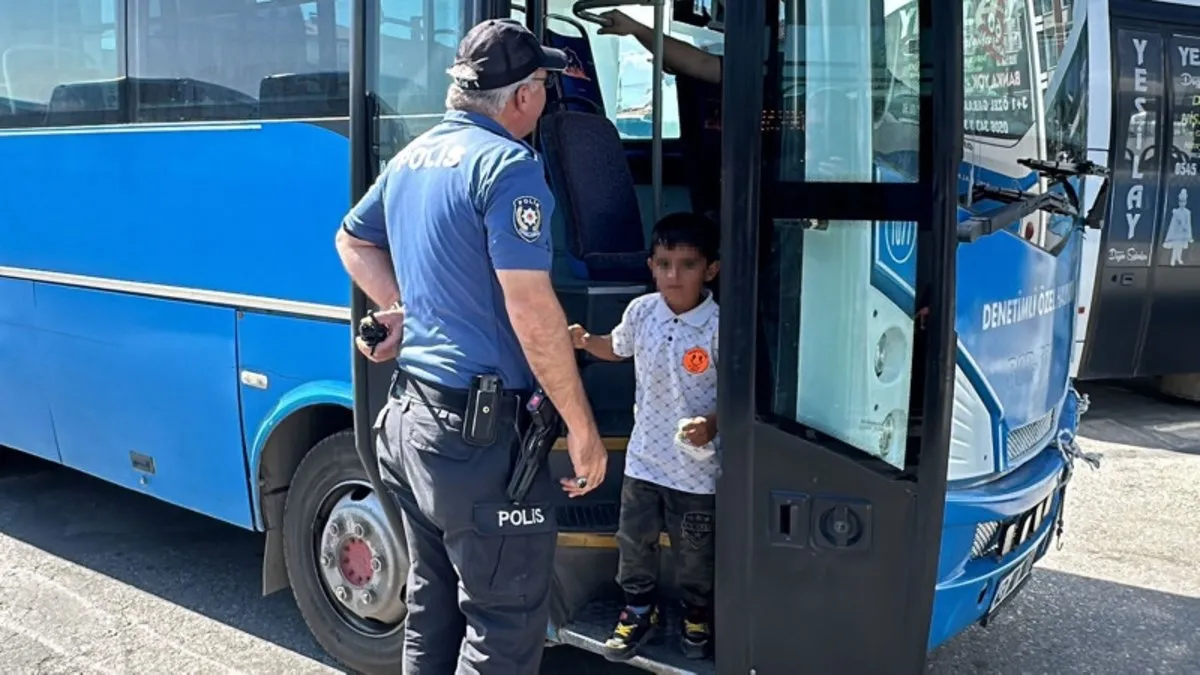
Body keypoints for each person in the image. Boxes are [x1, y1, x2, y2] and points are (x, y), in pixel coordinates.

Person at [334, 18, 609, 674]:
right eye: (543, 83)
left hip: (412, 428)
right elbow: (533, 312)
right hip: (477, 444)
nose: (546, 95)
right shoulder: (510, 166)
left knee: (434, 610)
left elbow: (351, 237)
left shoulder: (413, 157)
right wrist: (581, 427)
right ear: (521, 98)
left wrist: (398, 308)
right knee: (503, 625)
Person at [567, 212, 721, 662]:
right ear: (651, 266)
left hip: (697, 469)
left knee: (695, 548)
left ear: (710, 269)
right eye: (664, 263)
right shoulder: (641, 312)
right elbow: (617, 347)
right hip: (644, 459)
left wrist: (711, 424)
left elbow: (737, 391)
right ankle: (638, 609)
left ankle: (696, 612)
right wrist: (583, 340)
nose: (673, 275)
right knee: (634, 539)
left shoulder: (717, 326)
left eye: (687, 264)